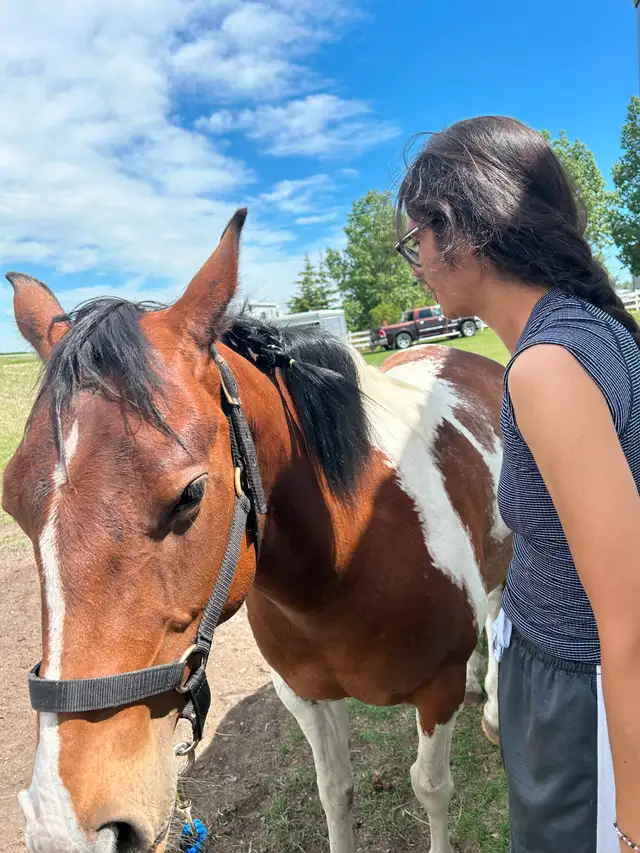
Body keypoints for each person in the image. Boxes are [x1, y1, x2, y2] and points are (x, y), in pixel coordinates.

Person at [394, 116, 640, 853]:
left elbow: (627, 616)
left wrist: (631, 805)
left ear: (465, 231)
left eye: (417, 241)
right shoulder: (586, 327)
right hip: (550, 669)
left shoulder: (548, 367)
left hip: (580, 694)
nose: (415, 264)